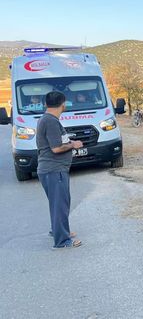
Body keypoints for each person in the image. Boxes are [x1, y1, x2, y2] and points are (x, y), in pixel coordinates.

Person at [36, 91, 83, 249]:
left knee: (60, 203)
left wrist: (69, 142)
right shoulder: (50, 121)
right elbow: (56, 148)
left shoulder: (49, 119)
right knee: (60, 205)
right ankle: (62, 241)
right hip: (53, 170)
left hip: (54, 170)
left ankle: (59, 231)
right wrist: (73, 144)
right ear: (63, 104)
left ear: (46, 104)